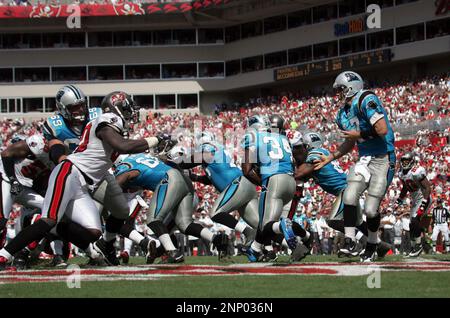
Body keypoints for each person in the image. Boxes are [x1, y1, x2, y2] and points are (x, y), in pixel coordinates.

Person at [0, 91, 170, 270]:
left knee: (93, 233)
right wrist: (156, 139)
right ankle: (5, 255)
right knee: (48, 219)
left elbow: (124, 149)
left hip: (84, 184)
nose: (131, 113)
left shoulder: (108, 122)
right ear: (115, 109)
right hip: (70, 173)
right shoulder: (107, 120)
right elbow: (122, 146)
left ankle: (58, 231)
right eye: (126, 109)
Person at [314, 71, 396, 262]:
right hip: (365, 158)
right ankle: (350, 241)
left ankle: (373, 243)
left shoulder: (366, 99)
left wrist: (358, 135)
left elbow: (382, 130)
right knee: (349, 196)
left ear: (351, 87)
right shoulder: (342, 113)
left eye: (341, 89)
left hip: (383, 158)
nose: (338, 94)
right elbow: (350, 143)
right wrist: (330, 157)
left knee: (370, 210)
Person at [241, 114, 296, 262]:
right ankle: (255, 250)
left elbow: (246, 170)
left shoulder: (253, 137)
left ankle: (282, 225)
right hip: (291, 181)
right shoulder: (282, 138)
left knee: (267, 224)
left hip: (274, 180)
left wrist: (263, 182)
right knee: (264, 224)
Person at [393, 152, 432, 257]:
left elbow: (428, 188)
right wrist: (399, 200)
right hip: (415, 200)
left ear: (411, 161)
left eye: (407, 161)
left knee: (415, 221)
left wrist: (424, 202)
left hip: (424, 197)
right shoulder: (401, 173)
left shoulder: (417, 171)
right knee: (412, 225)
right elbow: (406, 187)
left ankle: (419, 246)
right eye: (403, 161)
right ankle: (417, 246)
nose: (404, 163)